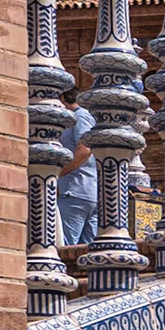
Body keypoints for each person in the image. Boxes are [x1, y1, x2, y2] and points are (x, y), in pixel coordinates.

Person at [57, 87, 97, 247]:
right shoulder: (81, 117)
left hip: (75, 192)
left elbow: (84, 149)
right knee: (86, 253)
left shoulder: (79, 117)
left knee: (65, 248)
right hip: (88, 192)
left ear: (62, 98)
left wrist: (58, 173)